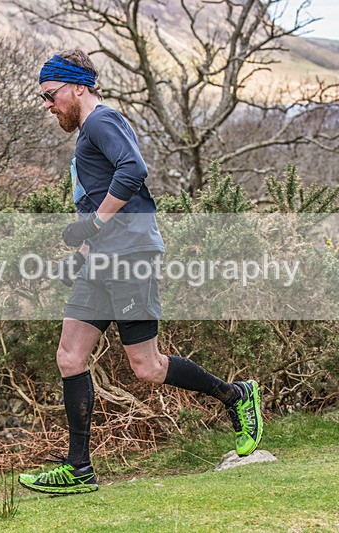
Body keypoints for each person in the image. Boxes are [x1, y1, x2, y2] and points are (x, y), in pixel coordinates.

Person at [18, 49, 262, 495]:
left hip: (130, 256)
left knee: (147, 367)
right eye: (44, 98)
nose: (48, 105)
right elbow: (103, 198)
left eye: (51, 95)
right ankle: (78, 468)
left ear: (78, 87)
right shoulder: (91, 130)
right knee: (69, 357)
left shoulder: (101, 121)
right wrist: (86, 250)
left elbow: (134, 171)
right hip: (103, 259)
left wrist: (94, 225)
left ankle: (236, 395)